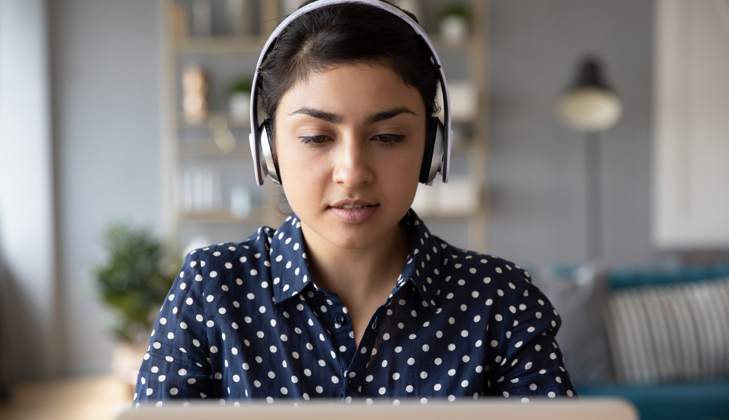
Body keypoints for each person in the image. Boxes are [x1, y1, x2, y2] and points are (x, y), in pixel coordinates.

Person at [134, 0, 575, 405]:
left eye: (387, 137)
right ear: (269, 153)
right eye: (316, 138)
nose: (352, 171)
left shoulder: (500, 299)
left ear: (432, 150)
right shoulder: (211, 290)